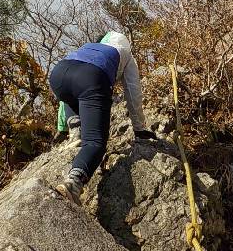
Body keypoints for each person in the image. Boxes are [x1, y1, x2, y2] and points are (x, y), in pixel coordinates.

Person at [50, 31, 156, 204]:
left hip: (58, 74)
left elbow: (66, 96)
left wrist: (63, 127)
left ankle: (76, 130)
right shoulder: (125, 53)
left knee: (71, 92)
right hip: (91, 78)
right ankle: (73, 185)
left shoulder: (87, 48)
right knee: (95, 143)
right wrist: (139, 128)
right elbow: (133, 91)